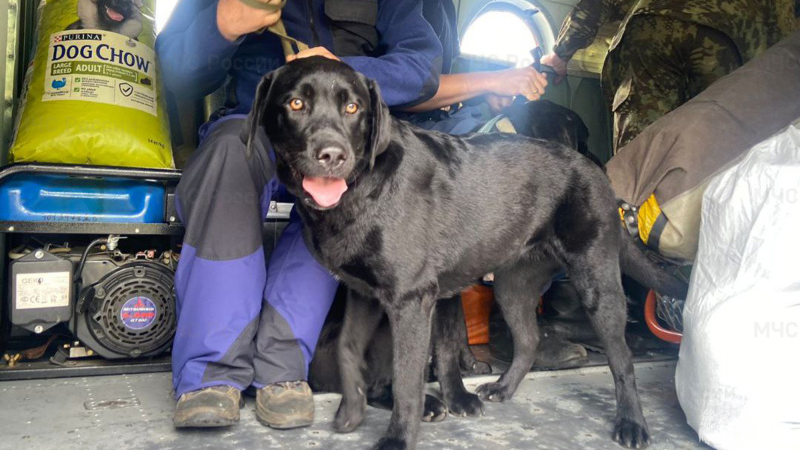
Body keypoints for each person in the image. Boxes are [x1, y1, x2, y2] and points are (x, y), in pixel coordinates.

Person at [156, 0, 443, 429]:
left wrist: (341, 71)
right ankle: (210, 373)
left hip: (343, 136)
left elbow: (423, 68)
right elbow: (175, 70)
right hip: (252, 126)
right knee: (227, 159)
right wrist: (222, 25)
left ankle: (281, 367)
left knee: (349, 196)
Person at [542, 0, 797, 152]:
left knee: (640, 154)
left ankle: (629, 227)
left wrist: (562, 52)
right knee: (713, 152)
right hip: (728, 42)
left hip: (657, 26)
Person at [396, 0, 549, 135]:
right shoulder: (406, 5)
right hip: (401, 126)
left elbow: (442, 77)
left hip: (437, 115)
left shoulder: (445, 6)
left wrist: (487, 93)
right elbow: (403, 92)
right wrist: (493, 82)